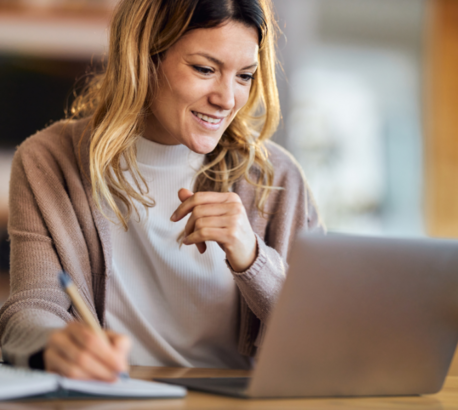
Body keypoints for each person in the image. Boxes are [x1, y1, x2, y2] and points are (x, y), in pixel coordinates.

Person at [0, 0, 321, 381]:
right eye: (205, 69)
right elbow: (33, 305)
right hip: (116, 398)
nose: (227, 98)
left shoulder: (275, 176)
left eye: (245, 76)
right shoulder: (51, 161)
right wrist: (55, 344)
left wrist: (253, 258)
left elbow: (322, 333)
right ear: (144, 58)